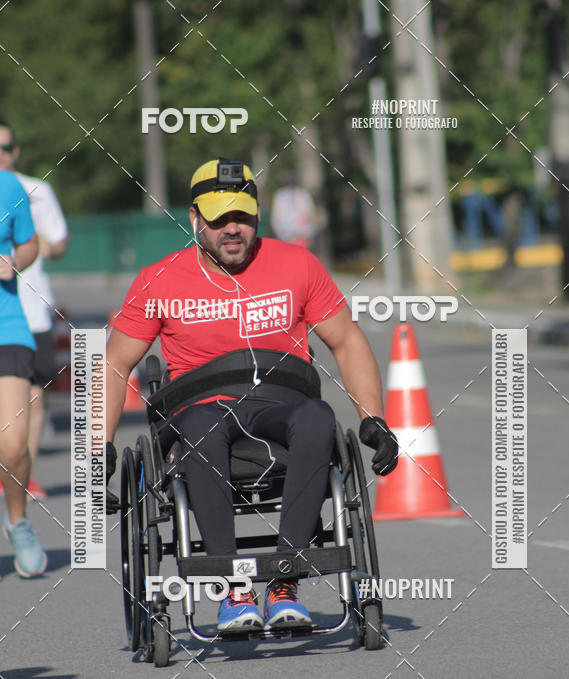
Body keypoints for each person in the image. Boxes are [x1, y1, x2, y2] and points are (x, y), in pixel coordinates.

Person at [105, 158, 397, 632]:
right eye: (218, 219)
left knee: (319, 417)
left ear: (258, 214)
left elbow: (347, 341)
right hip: (201, 408)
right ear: (195, 218)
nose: (232, 229)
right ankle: (232, 588)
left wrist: (374, 419)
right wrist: (99, 448)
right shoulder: (159, 280)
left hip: (279, 402)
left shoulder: (297, 264)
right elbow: (115, 363)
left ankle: (285, 582)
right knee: (200, 427)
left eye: (241, 215)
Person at [0, 119, 70, 499]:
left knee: (33, 396)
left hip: (32, 304)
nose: (1, 155)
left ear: (16, 151)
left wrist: (35, 245)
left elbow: (59, 242)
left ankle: (24, 472)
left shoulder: (36, 190)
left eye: (6, 147)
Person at [0, 165, 48, 577]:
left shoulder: (7, 184)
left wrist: (15, 259)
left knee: (14, 443)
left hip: (7, 325)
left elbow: (30, 243)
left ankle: (18, 522)